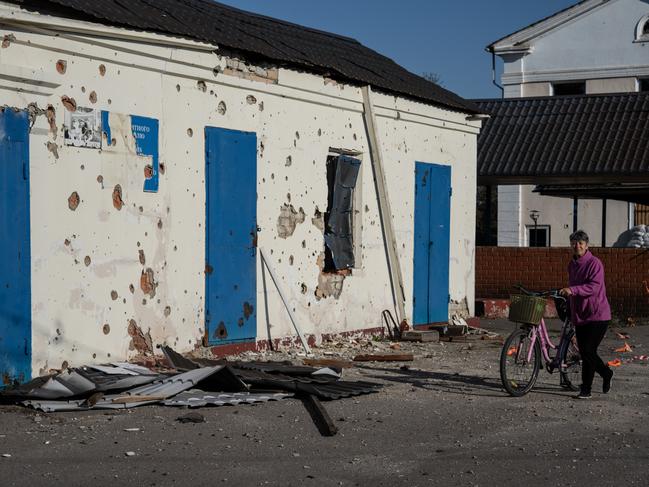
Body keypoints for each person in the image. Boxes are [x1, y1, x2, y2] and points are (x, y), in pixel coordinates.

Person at [559, 230, 613, 399]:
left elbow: (594, 287)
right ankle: (586, 389)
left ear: (587, 245)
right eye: (574, 243)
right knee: (585, 352)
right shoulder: (571, 265)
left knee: (588, 351)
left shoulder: (595, 263)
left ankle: (606, 373)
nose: (577, 246)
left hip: (598, 315)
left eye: (581, 243)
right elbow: (572, 288)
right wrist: (568, 305)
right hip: (581, 315)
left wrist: (572, 290)